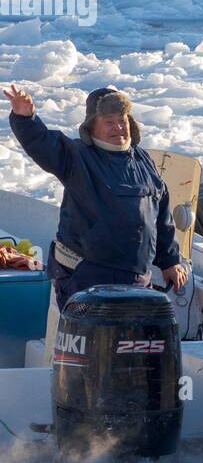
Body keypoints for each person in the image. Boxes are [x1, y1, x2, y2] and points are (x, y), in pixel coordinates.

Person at [4, 83, 187, 309]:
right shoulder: (77, 155)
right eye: (109, 122)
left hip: (137, 280)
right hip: (87, 278)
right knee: (97, 344)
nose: (118, 127)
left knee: (133, 341)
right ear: (91, 128)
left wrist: (170, 261)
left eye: (122, 120)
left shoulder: (142, 160)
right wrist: (25, 117)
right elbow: (43, 144)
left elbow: (161, 214)